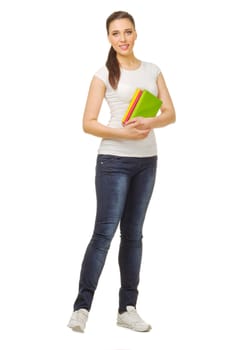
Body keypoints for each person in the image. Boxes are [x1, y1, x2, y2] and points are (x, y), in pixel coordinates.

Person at [67, 10, 175, 333]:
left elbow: (170, 112)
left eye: (127, 32)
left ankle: (127, 308)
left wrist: (150, 122)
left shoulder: (153, 70)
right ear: (109, 38)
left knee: (134, 235)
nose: (123, 38)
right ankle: (81, 308)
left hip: (147, 161)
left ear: (136, 34)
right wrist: (125, 133)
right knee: (103, 234)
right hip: (113, 161)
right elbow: (88, 122)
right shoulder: (103, 75)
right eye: (116, 34)